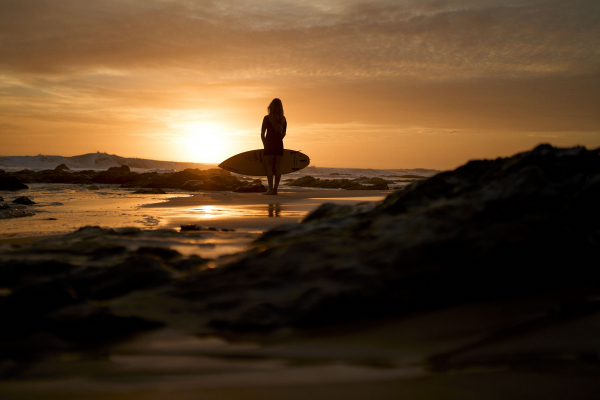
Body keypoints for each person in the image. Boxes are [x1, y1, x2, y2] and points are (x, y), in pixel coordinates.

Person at [261, 98, 287, 195]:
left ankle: (270, 190)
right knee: (277, 167)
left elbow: (262, 133)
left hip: (269, 144)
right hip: (279, 144)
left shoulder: (267, 118)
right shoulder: (283, 119)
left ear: (270, 107)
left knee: (268, 166)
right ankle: (275, 190)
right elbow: (283, 134)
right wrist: (278, 140)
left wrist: (265, 143)